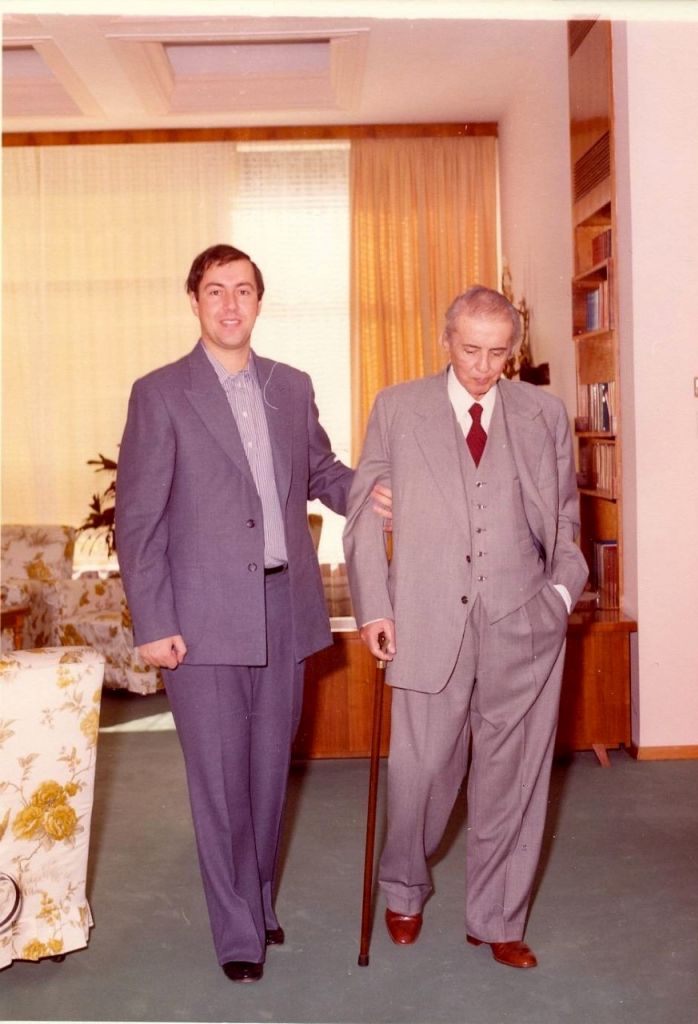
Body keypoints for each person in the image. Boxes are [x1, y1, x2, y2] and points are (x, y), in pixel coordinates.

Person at [115, 243, 389, 983]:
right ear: (195, 302)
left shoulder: (290, 386)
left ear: (259, 302)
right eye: (215, 290)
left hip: (283, 608)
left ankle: (258, 898)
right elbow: (136, 521)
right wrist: (153, 623)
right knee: (219, 782)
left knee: (268, 775)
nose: (230, 304)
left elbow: (321, 471)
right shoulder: (160, 393)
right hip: (199, 618)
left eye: (242, 290)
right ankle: (237, 930)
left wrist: (373, 493)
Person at [343, 285, 588, 969]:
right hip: (424, 619)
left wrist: (558, 597)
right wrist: (376, 609)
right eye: (470, 349)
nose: (482, 367)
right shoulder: (398, 407)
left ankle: (497, 918)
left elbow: (565, 520)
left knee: (515, 776)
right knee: (420, 772)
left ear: (513, 351)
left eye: (497, 353)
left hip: (524, 621)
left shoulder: (542, 414)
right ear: (445, 339)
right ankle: (403, 887)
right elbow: (362, 515)